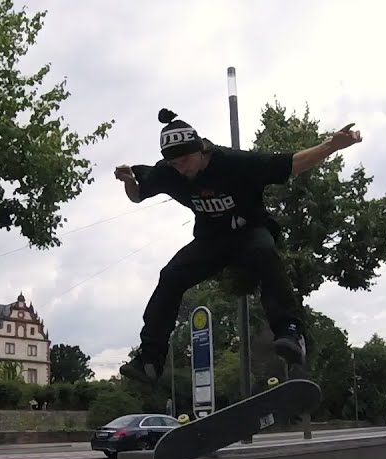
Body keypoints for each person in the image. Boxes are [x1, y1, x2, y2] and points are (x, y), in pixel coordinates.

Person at [115, 108, 363, 385]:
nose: (182, 169)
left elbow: (290, 164)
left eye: (185, 160)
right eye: (175, 165)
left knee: (264, 253)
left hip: (249, 232)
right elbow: (137, 195)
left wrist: (331, 146)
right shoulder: (169, 172)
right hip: (210, 240)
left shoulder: (234, 162)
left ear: (200, 149)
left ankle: (290, 331)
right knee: (170, 276)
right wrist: (128, 182)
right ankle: (149, 359)